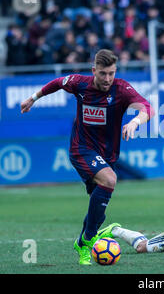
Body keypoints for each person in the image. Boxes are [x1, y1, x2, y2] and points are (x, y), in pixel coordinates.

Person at [20, 49, 154, 265]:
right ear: (94, 71)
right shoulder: (79, 83)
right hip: (81, 149)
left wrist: (136, 121)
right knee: (110, 179)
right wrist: (33, 98)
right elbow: (57, 83)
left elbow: (146, 107)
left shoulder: (121, 89)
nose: (108, 78)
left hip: (107, 154)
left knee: (98, 204)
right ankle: (88, 240)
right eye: (103, 73)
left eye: (111, 73)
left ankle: (85, 242)